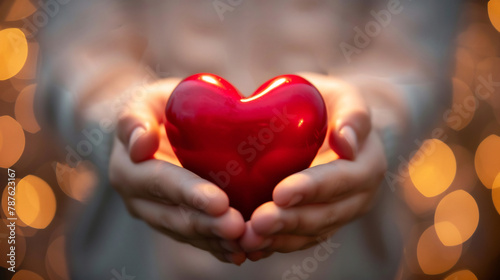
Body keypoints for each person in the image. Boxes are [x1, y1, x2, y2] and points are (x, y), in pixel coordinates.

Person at [36, 0, 462, 279]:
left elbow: (416, 56)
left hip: (344, 263)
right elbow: (76, 48)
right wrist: (121, 126)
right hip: (133, 258)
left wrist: (372, 122)